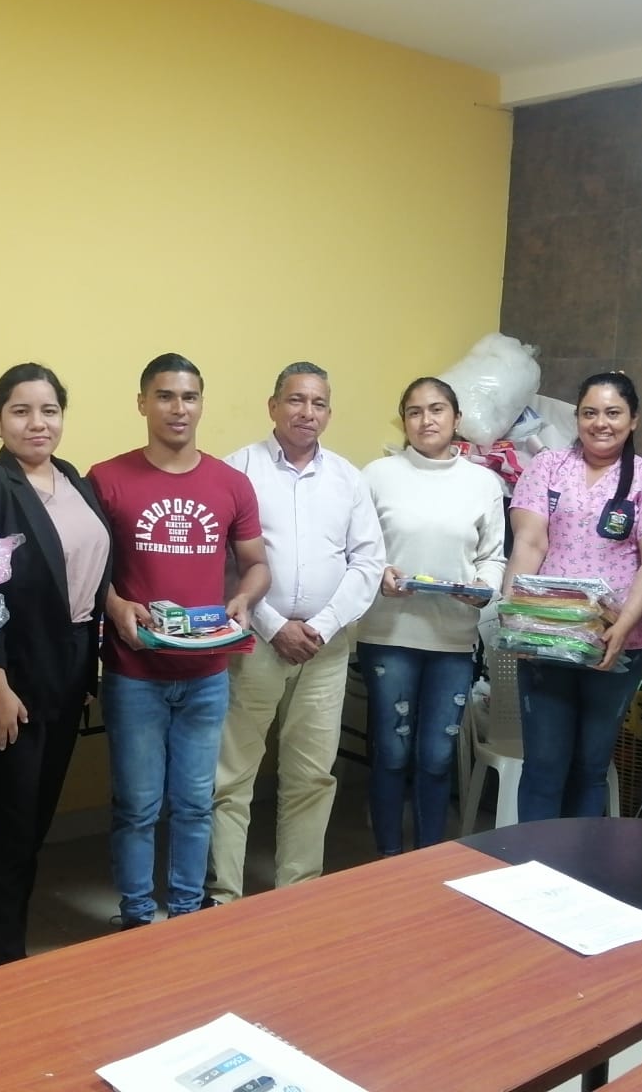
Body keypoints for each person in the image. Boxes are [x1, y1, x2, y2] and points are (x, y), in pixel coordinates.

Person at [88, 353, 269, 927]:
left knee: (194, 804)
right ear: (142, 403)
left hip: (206, 674)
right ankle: (137, 916)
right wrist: (115, 605)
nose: (178, 408)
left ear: (201, 404)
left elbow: (256, 564)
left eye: (189, 397)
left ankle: (189, 913)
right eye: (165, 396)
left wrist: (245, 599)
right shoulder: (106, 479)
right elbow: (87, 570)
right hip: (134, 673)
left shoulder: (231, 484)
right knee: (137, 807)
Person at [0, 363, 111, 966]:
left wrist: (84, 670)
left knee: (35, 820)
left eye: (49, 411)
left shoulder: (73, 479)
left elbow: (89, 578)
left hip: (66, 671)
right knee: (12, 826)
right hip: (6, 677)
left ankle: (8, 946)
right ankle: (2, 964)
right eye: (21, 411)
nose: (37, 423)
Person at [209, 362, 385, 902]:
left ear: (328, 413)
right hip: (254, 642)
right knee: (231, 776)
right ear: (273, 406)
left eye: (318, 403)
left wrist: (321, 627)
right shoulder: (238, 470)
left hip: (324, 650)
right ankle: (223, 897)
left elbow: (368, 562)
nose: (307, 412)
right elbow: (224, 562)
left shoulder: (348, 478)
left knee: (312, 776)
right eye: (296, 400)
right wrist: (273, 624)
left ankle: (298, 895)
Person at [504, 372, 642, 820]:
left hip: (616, 642)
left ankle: (580, 860)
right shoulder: (548, 466)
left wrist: (622, 628)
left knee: (590, 767)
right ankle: (532, 859)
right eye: (590, 412)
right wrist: (515, 616)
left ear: (633, 419)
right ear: (578, 418)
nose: (601, 423)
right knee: (543, 765)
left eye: (613, 412)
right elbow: (529, 543)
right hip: (546, 637)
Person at [357, 376, 505, 854]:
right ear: (403, 420)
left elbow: (493, 556)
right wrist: (379, 573)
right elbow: (356, 550)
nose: (426, 420)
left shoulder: (483, 483)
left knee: (437, 757)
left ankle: (428, 861)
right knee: (392, 752)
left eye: (437, 409)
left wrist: (483, 589)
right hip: (388, 633)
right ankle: (386, 858)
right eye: (415, 411)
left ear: (456, 419)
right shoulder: (377, 476)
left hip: (453, 639)